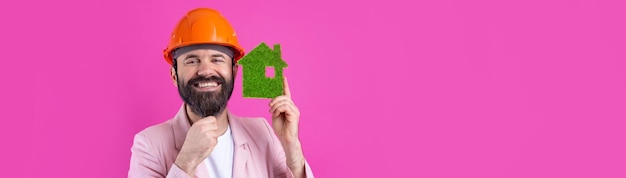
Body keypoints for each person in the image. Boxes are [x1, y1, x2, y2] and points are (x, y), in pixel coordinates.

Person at [128, 7, 314, 178]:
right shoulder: (149, 144)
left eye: (217, 59)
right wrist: (186, 162)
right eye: (192, 61)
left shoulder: (262, 132)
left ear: (234, 71)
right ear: (175, 75)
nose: (206, 71)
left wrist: (292, 146)